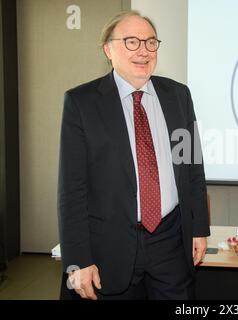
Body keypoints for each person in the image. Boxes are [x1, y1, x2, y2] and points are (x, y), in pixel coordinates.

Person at [57, 10, 210, 300]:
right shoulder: (82, 103)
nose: (143, 50)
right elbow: (71, 191)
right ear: (108, 49)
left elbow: (192, 167)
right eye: (131, 41)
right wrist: (78, 260)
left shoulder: (178, 96)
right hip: (108, 249)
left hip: (170, 243)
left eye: (151, 42)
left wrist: (199, 228)